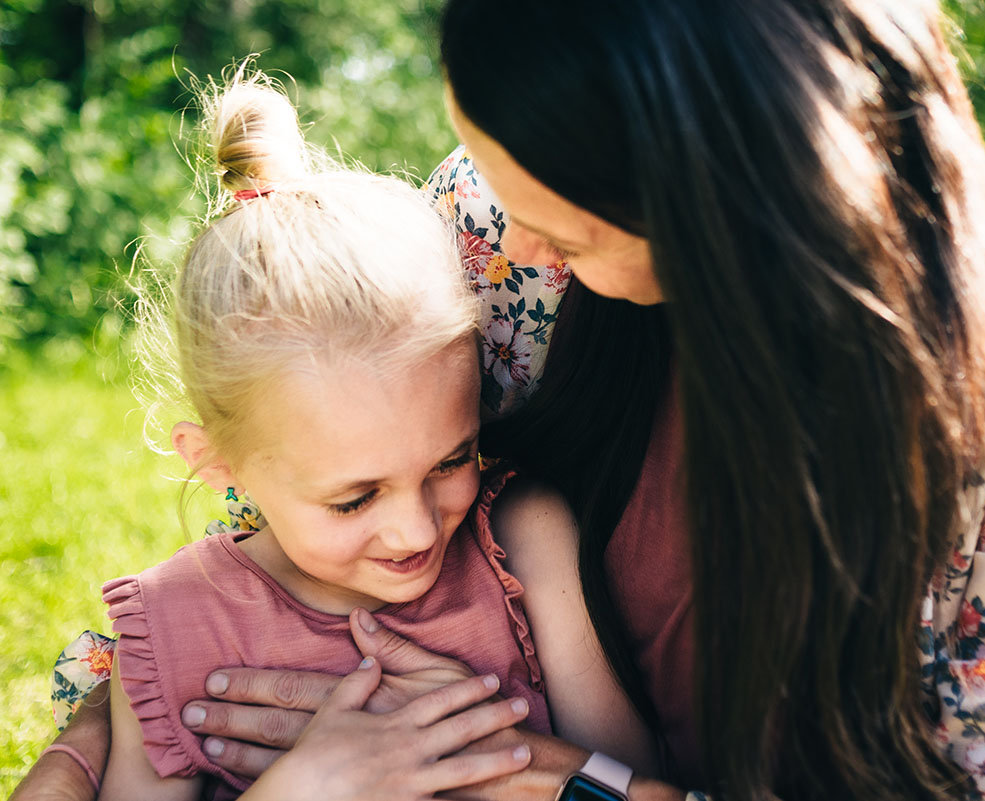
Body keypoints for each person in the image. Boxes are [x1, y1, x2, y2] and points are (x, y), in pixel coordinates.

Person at [16, 2, 985, 800]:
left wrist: (567, 783)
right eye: (483, 170)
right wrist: (98, 743)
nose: (503, 241)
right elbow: (298, 509)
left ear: (731, 192)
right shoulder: (497, 216)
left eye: (563, 220)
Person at [54, 73, 654, 801]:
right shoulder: (172, 628)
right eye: (353, 498)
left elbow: (635, 787)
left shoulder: (525, 539)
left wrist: (498, 755)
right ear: (218, 462)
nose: (413, 529)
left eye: (451, 458)